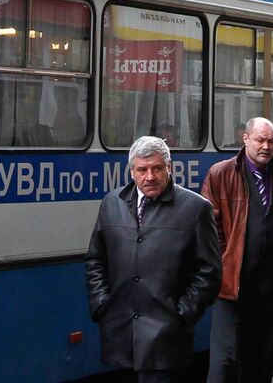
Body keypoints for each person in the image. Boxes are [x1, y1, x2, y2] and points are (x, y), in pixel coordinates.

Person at [85, 135, 223, 382]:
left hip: (166, 337)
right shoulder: (111, 203)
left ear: (169, 168)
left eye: (157, 168)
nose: (149, 176)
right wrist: (102, 305)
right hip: (120, 334)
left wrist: (182, 315)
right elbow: (96, 259)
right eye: (142, 169)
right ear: (131, 171)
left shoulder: (195, 208)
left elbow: (209, 272)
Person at [202, 116, 273, 382]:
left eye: (270, 141)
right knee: (225, 361)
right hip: (232, 287)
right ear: (245, 140)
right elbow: (210, 227)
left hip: (268, 289)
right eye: (259, 140)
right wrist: (223, 262)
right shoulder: (221, 174)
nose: (266, 146)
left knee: (261, 359)